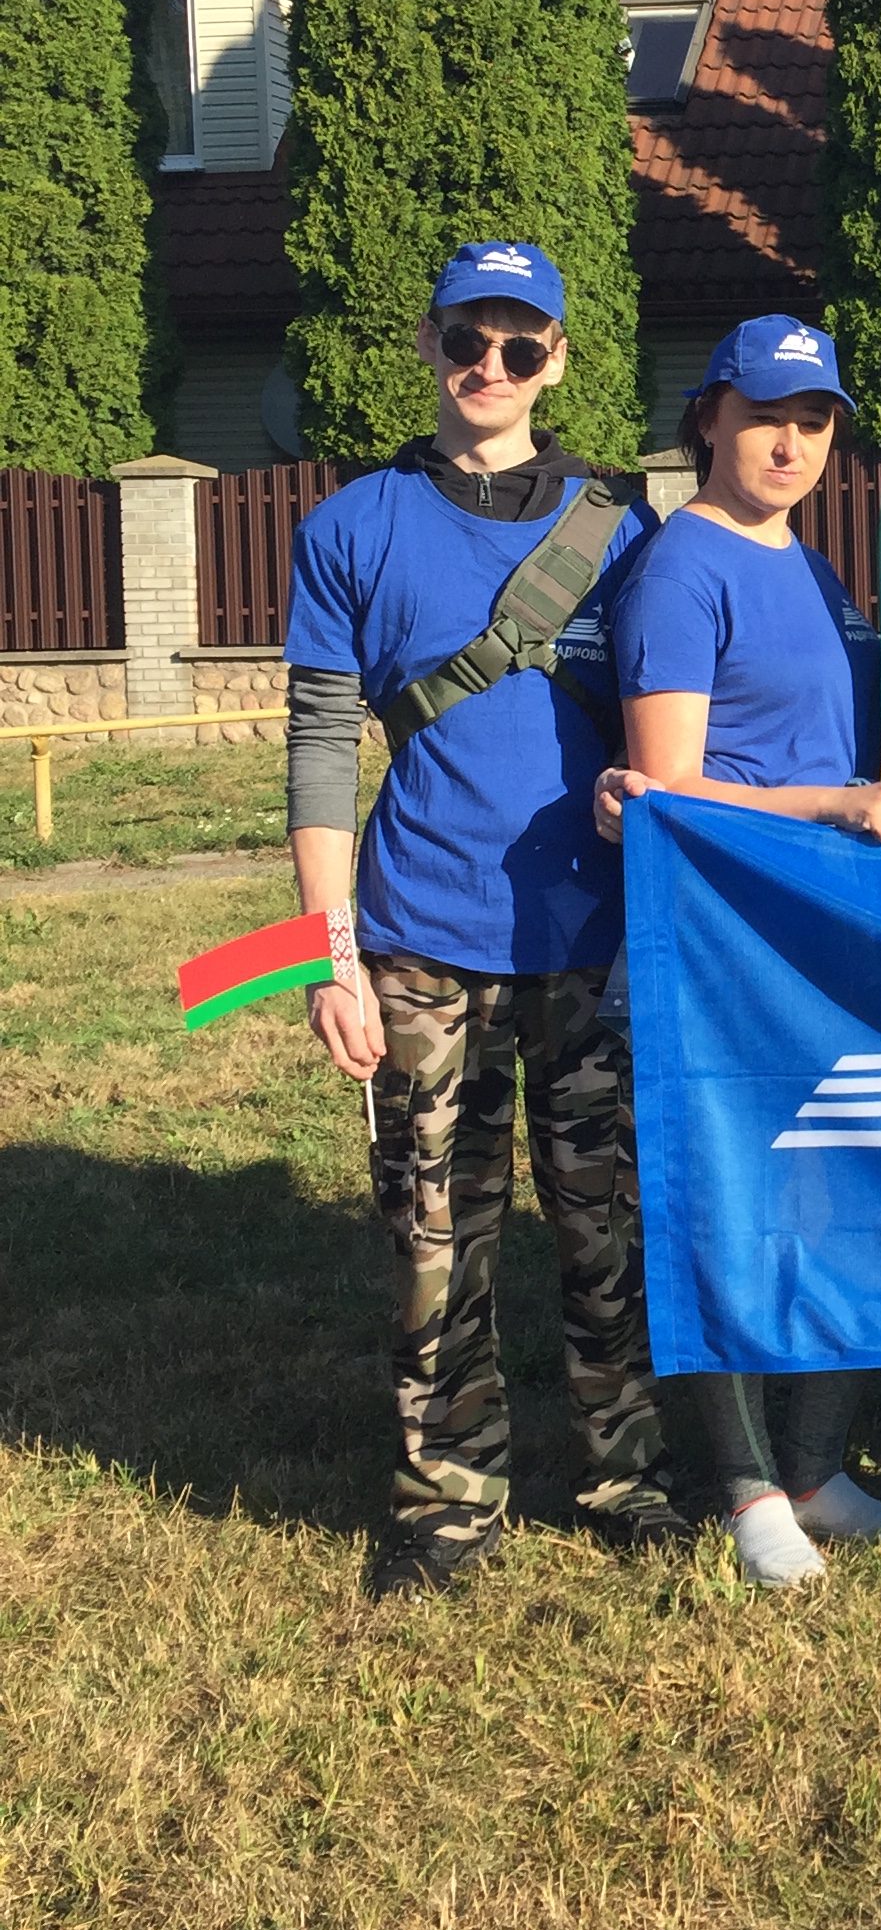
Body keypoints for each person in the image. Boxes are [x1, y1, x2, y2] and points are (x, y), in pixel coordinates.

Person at [285, 241, 682, 1600]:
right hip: (417, 939)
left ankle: (627, 1475)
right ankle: (447, 1500)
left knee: (605, 1223)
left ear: (557, 359)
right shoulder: (353, 527)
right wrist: (329, 956)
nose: (491, 367)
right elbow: (319, 747)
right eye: (469, 338)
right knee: (434, 1235)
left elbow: (685, 727)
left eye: (521, 345)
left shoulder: (626, 533)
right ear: (430, 342)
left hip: (596, 940)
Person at [595, 316, 881, 1587]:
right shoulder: (683, 568)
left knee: (836, 1196)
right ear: (709, 420)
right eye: (763, 417)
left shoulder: (808, 561)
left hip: (812, 932)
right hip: (718, 939)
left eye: (813, 420)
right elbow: (668, 786)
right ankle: (749, 1491)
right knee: (735, 1211)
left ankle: (817, 1470)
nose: (789, 442)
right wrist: (841, 804)